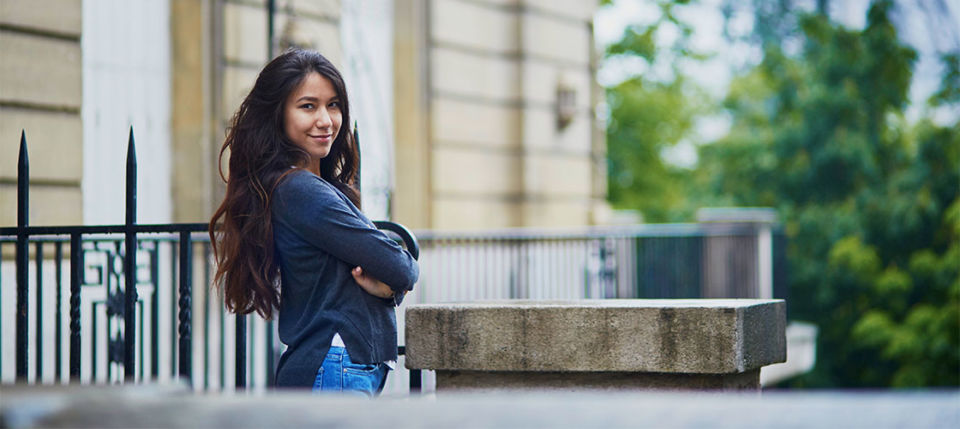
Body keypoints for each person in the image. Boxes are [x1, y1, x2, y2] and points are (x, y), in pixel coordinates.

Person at [208, 48, 419, 396]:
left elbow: (387, 268)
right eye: (308, 106)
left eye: (333, 105)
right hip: (333, 365)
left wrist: (391, 287)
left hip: (338, 367)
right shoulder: (300, 190)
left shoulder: (310, 187)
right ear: (278, 115)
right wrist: (395, 283)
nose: (326, 120)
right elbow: (402, 266)